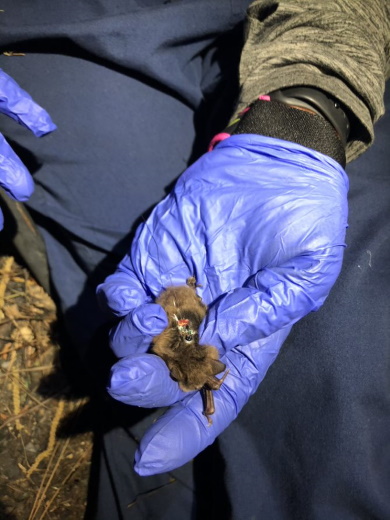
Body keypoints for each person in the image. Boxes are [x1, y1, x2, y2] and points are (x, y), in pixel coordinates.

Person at [0, 1, 389, 518]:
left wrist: (308, 109)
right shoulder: (184, 323)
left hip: (303, 46)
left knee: (344, 366)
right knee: (125, 314)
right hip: (73, 37)